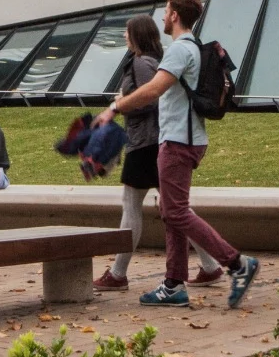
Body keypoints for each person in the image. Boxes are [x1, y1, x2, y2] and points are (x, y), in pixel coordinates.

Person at [96, 0, 260, 310]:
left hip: (178, 141)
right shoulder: (191, 48)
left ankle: (237, 263)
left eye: (166, 11)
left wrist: (114, 107)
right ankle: (173, 284)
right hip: (182, 139)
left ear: (174, 16)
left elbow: (154, 90)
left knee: (176, 212)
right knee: (172, 212)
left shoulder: (180, 50)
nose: (162, 17)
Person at [94, 14, 224, 291]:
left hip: (146, 143)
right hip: (154, 141)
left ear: (137, 35)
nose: (125, 38)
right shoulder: (154, 60)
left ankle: (118, 274)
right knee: (175, 208)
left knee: (134, 205)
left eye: (128, 33)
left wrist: (120, 103)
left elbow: (153, 99)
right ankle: (210, 266)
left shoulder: (142, 63)